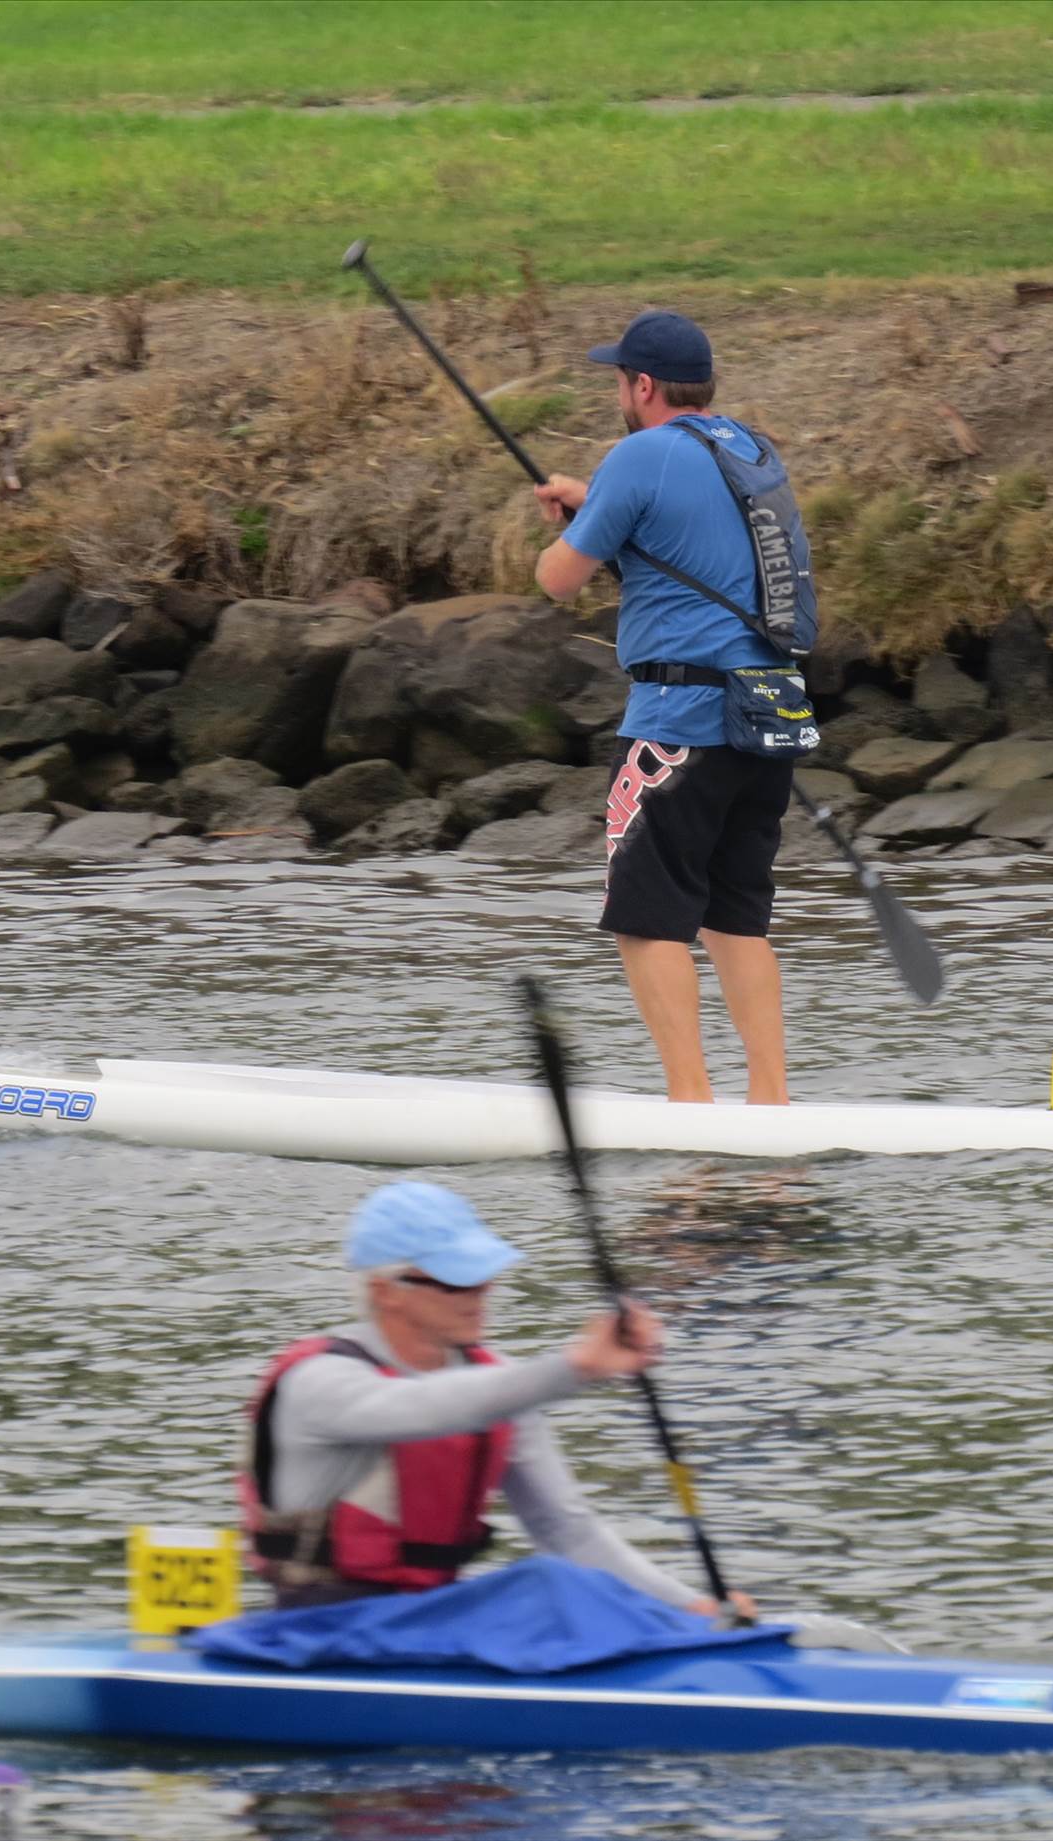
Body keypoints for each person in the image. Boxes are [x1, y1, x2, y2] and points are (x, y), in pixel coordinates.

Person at [240, 1180, 755, 1619]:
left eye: (483, 1275)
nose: (480, 1290)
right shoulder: (319, 1383)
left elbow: (566, 1531)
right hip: (316, 1629)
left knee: (564, 1587)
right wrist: (573, 1367)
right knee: (541, 1590)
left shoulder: (497, 1381)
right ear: (386, 1291)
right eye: (456, 1281)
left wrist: (688, 1609)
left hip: (428, 1621)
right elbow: (425, 1408)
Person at [531, 310, 810, 1102]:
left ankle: (690, 1103)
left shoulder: (638, 455)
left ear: (643, 386)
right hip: (769, 715)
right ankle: (770, 1100)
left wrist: (584, 517)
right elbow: (695, 537)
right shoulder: (752, 450)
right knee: (735, 918)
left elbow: (556, 579)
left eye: (620, 380)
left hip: (676, 723)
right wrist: (602, 505)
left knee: (647, 919)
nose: (619, 392)